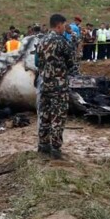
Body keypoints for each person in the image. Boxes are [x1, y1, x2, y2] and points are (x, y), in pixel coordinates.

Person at [35, 13, 78, 159]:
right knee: (58, 118)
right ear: (59, 25)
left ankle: (43, 146)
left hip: (44, 84)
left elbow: (37, 62)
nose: (64, 29)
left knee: (44, 116)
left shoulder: (41, 40)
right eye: (64, 26)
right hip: (59, 86)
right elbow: (72, 62)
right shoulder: (61, 41)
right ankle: (55, 149)